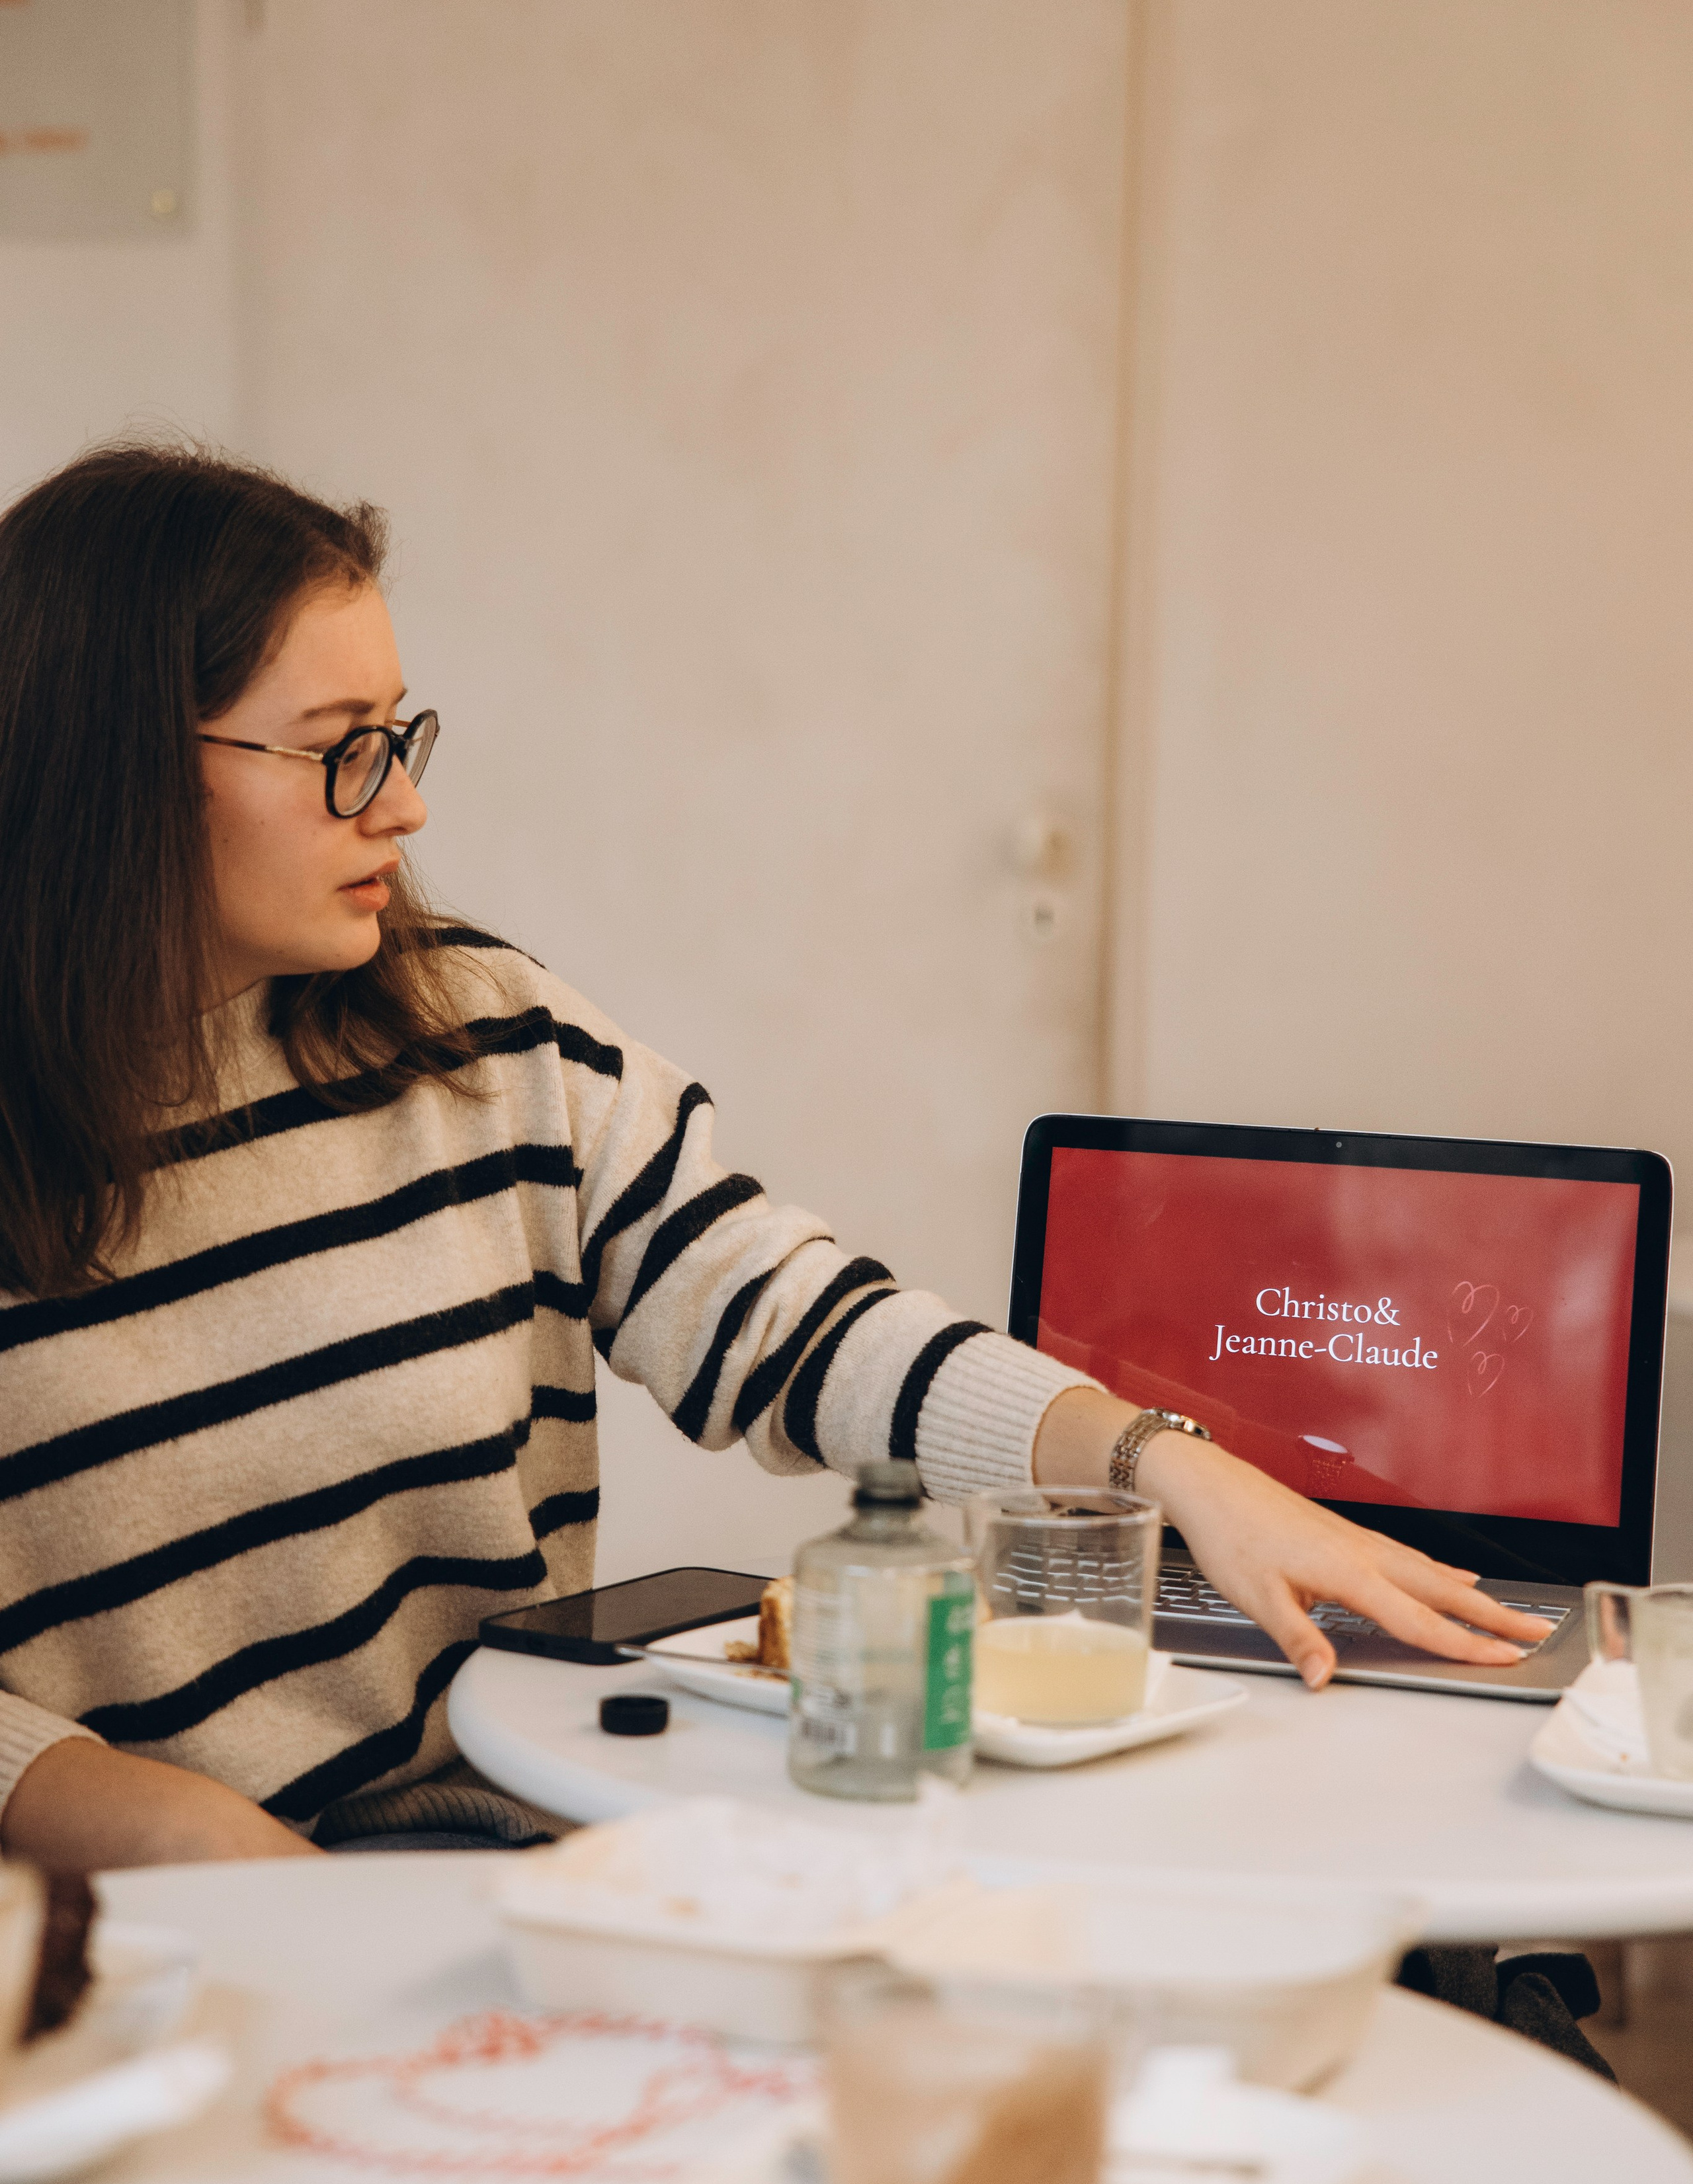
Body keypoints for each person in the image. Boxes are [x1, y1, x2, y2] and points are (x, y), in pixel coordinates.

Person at [0, 446, 1548, 1873]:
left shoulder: (483, 1039)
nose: (403, 804)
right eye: (339, 752)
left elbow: (792, 1323)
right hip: (111, 1948)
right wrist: (195, 1852)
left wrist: (1170, 1470)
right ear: (115, 765)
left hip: (457, 1854)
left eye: (400, 737)